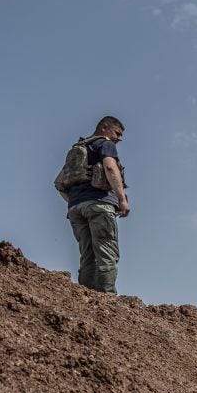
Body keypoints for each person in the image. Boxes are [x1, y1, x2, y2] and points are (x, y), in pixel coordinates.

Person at [62, 116, 129, 294]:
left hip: (76, 209)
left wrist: (76, 201)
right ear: (104, 128)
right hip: (99, 205)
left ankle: (85, 298)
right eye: (117, 133)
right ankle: (107, 300)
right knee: (107, 254)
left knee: (87, 256)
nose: (119, 138)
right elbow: (109, 167)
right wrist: (122, 198)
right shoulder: (105, 144)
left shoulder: (78, 149)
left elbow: (58, 183)